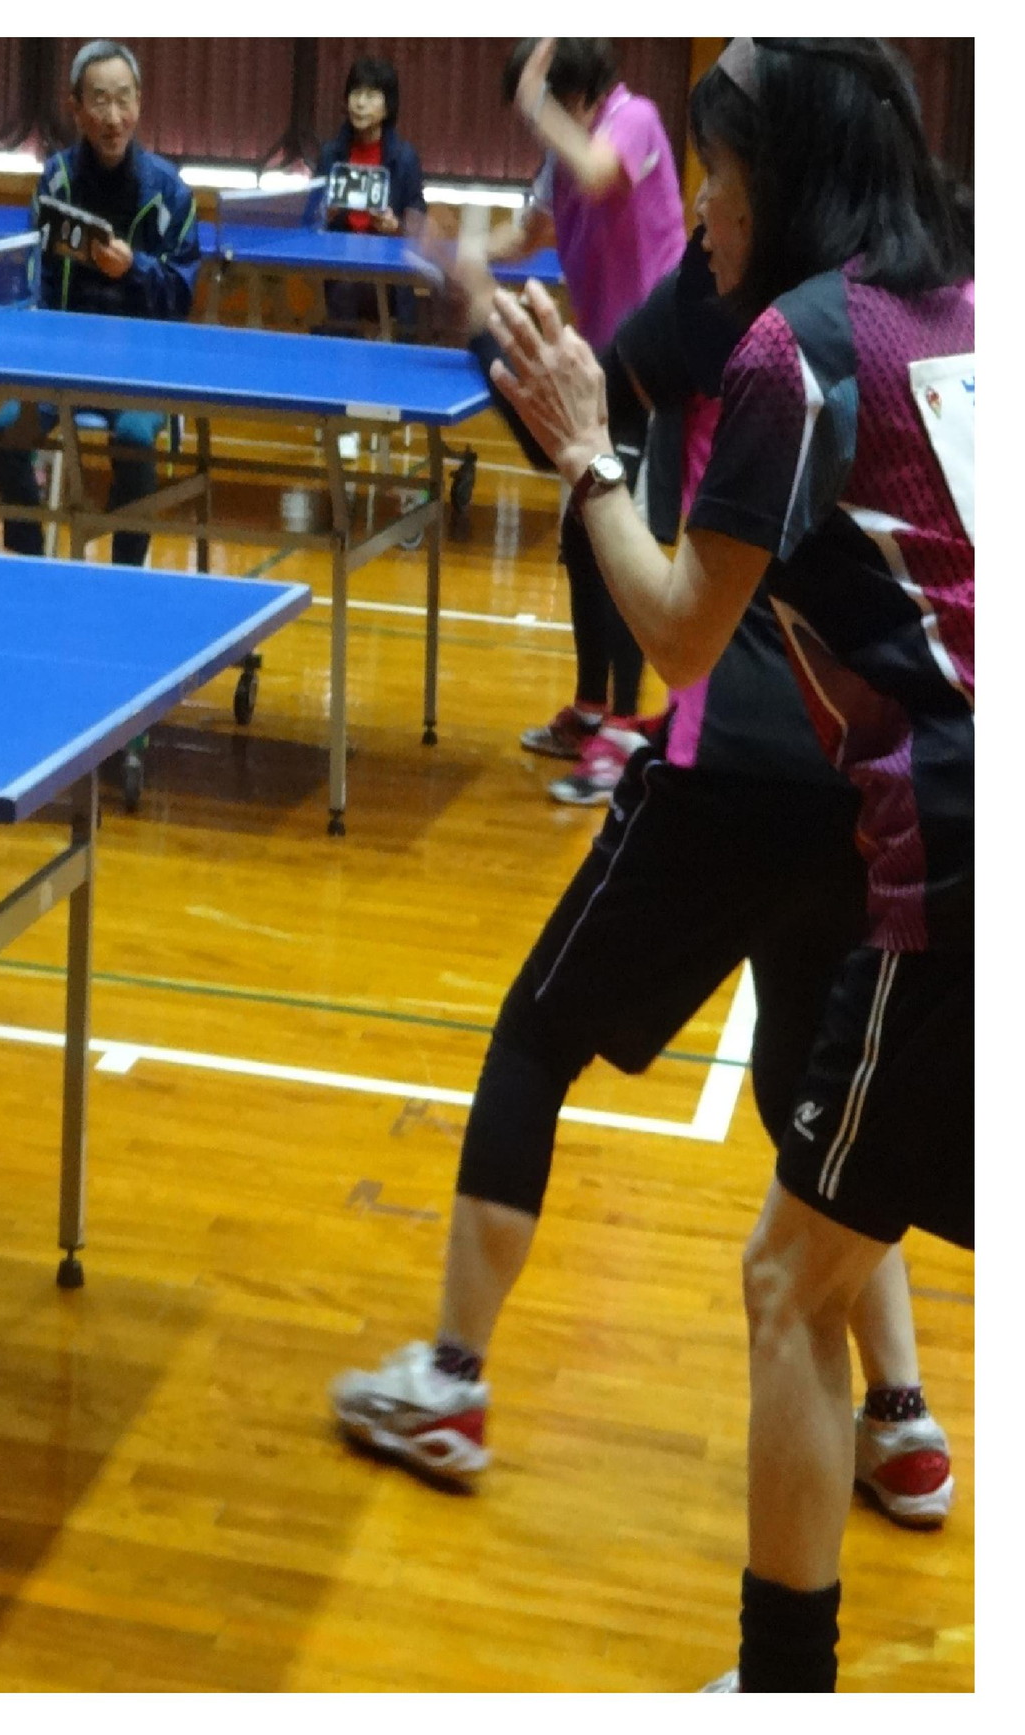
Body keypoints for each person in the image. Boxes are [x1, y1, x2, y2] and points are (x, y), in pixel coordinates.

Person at [330, 240, 955, 1537]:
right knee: (820, 1096)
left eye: (716, 169)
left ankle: (449, 1381)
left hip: (729, 757)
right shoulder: (914, 310)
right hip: (875, 774)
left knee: (536, 1034)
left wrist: (491, 330)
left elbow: (577, 430)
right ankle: (898, 1416)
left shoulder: (735, 306)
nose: (705, 203)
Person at [484, 37, 971, 1692]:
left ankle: (781, 1689)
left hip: (953, 859)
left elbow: (685, 634)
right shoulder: (966, 313)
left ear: (792, 174)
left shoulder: (792, 351)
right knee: (823, 1242)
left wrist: (584, 452)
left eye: (720, 171)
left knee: (787, 1277)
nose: (699, 204)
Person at [496, 38, 686, 805]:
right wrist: (454, 252)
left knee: (621, 541)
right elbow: (526, 235)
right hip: (602, 369)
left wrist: (534, 101)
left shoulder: (632, 120)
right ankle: (590, 708)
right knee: (583, 534)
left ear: (576, 95)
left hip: (658, 365)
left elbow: (601, 170)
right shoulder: (561, 151)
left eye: (547, 106)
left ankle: (626, 736)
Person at [0, 40, 201, 567]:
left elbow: (181, 297)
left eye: (123, 99)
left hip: (140, 368)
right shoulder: (56, 181)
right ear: (76, 109)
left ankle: (123, 573)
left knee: (133, 437)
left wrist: (136, 269)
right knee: (8, 431)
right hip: (61, 362)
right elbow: (35, 279)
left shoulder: (170, 193)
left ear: (139, 103)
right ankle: (31, 564)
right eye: (99, 101)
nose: (112, 116)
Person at [303, 55, 426, 335]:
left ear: (388, 106)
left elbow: (418, 223)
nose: (359, 103)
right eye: (355, 93)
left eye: (371, 96)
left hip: (390, 273)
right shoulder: (331, 155)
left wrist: (396, 226)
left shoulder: (405, 158)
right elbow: (308, 219)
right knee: (343, 290)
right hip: (341, 268)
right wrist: (324, 214)